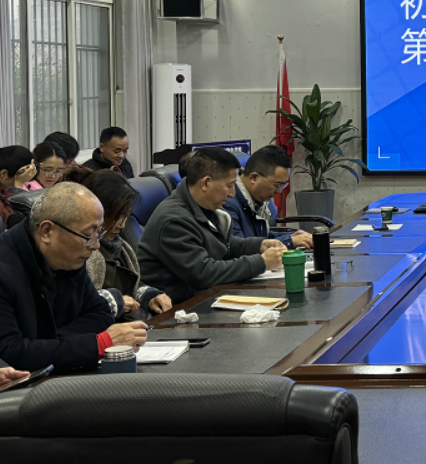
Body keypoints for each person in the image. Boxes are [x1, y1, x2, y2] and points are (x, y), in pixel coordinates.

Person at [0, 182, 149, 371]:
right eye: (88, 235)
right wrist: (97, 344)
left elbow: (101, 313)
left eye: (98, 233)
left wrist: (48, 345)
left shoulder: (68, 258)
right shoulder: (5, 270)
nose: (95, 246)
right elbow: (11, 354)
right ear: (47, 231)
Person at [138, 147, 286, 304]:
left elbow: (226, 245)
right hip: (177, 308)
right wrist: (261, 262)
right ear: (206, 183)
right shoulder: (173, 220)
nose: (232, 194)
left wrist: (260, 245)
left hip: (205, 297)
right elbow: (203, 274)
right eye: (229, 185)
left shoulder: (204, 206)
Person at [70, 166, 173, 320]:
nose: (122, 225)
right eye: (117, 217)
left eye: (126, 217)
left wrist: (150, 296)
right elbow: (79, 304)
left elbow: (132, 288)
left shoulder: (121, 248)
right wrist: (117, 302)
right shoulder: (81, 252)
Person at [221, 145, 312, 248]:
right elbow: (240, 248)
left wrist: (293, 236)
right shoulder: (226, 202)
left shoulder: (257, 199)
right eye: (277, 185)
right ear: (254, 178)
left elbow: (262, 237)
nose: (280, 191)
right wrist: (289, 241)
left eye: (283, 185)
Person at [0, 146, 37, 228]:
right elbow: (12, 221)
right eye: (22, 174)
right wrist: (19, 185)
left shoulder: (5, 188)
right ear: (3, 174)